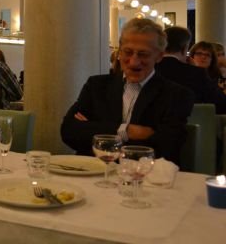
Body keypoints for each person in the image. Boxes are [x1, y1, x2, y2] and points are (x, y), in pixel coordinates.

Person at [60, 18, 194, 165]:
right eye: (128, 52)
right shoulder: (96, 86)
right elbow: (69, 132)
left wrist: (94, 129)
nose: (134, 62)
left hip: (144, 175)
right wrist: (126, 130)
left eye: (143, 54)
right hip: (94, 172)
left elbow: (167, 147)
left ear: (159, 56)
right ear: (119, 51)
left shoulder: (177, 95)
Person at [156, 26, 226, 114]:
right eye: (199, 54)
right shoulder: (197, 74)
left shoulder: (151, 69)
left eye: (207, 55)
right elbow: (222, 104)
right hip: (189, 122)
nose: (203, 57)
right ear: (185, 48)